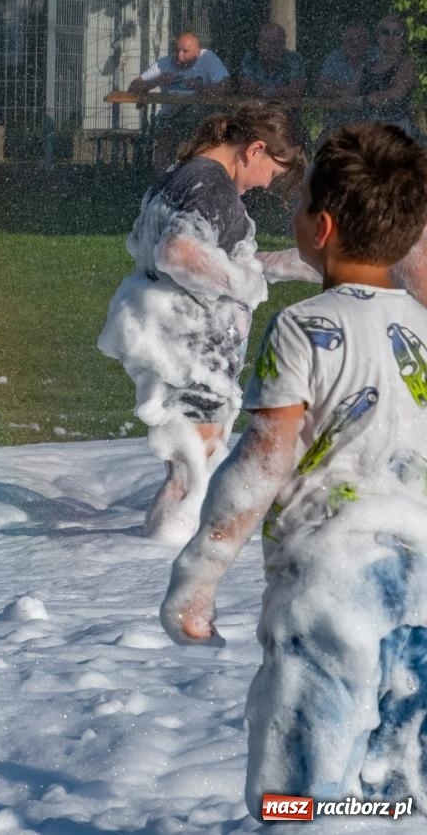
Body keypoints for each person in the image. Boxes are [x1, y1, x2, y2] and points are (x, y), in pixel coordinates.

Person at [161, 124, 427, 812]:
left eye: (299, 200)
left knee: (302, 787)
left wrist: (198, 577)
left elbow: (260, 463)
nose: (290, 210)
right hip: (419, 589)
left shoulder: (304, 327)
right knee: (403, 779)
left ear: (324, 227)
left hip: (329, 590)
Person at [98, 102, 313, 546]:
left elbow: (210, 255)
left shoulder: (184, 176)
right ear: (255, 149)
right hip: (191, 346)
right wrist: (245, 286)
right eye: (272, 172)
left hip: (171, 339)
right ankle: (154, 563)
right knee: (191, 468)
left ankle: (160, 550)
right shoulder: (211, 185)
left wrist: (300, 265)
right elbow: (178, 252)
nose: (265, 184)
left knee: (191, 463)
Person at [128, 32, 232, 170]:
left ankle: (198, 176)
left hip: (201, 119)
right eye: (176, 50)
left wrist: (202, 87)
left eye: (185, 51)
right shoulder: (164, 64)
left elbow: (226, 86)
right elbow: (133, 87)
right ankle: (162, 181)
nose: (179, 56)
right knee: (164, 137)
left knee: (206, 140)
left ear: (197, 52)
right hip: (170, 118)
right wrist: (156, 81)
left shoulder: (207, 58)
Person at [357, 14, 419, 133]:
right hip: (366, 126)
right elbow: (350, 93)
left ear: (403, 38)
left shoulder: (406, 64)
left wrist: (363, 100)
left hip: (396, 127)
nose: (390, 37)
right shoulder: (367, 65)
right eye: (385, 32)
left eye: (397, 33)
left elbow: (396, 93)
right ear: (378, 36)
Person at [314, 21, 377, 132]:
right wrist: (349, 95)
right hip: (339, 119)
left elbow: (380, 90)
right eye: (350, 40)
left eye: (360, 38)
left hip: (373, 118)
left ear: (367, 41)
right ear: (343, 41)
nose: (355, 43)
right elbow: (322, 88)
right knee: (322, 144)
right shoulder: (334, 58)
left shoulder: (376, 55)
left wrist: (338, 89)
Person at [237, 22, 306, 102]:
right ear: (258, 44)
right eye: (268, 42)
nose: (273, 47)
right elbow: (246, 87)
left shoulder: (294, 58)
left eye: (278, 42)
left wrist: (261, 91)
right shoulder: (250, 58)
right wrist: (281, 91)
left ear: (284, 43)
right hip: (255, 110)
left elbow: (296, 90)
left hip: (287, 111)